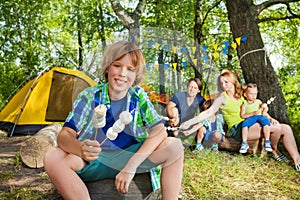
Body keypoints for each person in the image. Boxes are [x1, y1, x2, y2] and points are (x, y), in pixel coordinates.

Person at [43, 41, 184, 200]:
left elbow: (159, 131)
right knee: (52, 157)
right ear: (107, 67)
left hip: (129, 156)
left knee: (175, 146)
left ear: (135, 74)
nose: (123, 73)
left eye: (130, 69)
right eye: (117, 65)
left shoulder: (138, 96)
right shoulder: (89, 96)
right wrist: (82, 149)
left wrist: (131, 166)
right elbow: (65, 135)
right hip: (95, 159)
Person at [180, 69, 300, 171]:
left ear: (232, 81)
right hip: (238, 128)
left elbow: (256, 107)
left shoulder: (242, 94)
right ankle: (274, 150)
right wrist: (190, 122)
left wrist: (270, 117)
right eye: (221, 83)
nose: (223, 85)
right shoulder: (222, 97)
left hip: (252, 122)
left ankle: (297, 160)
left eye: (226, 82)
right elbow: (208, 112)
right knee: (276, 128)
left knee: (286, 128)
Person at [239, 83, 272, 153]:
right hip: (251, 117)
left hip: (260, 116)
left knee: (266, 122)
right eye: (251, 94)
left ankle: (267, 141)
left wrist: (264, 107)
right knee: (244, 124)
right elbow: (242, 115)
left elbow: (264, 108)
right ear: (245, 95)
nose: (254, 96)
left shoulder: (258, 101)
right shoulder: (244, 104)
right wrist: (252, 114)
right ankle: (244, 143)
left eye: (255, 94)